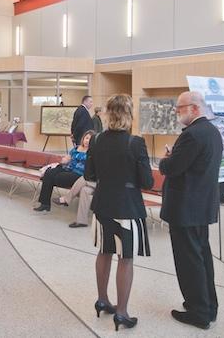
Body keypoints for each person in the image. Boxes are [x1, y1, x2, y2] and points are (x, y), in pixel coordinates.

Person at [85, 94, 152, 331]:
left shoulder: (96, 140)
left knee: (104, 252)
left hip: (102, 205)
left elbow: (90, 175)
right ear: (128, 114)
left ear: (108, 114)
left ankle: (102, 300)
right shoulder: (136, 143)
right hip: (127, 207)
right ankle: (121, 312)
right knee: (125, 258)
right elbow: (147, 181)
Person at [158, 91, 223, 330]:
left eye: (179, 108)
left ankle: (198, 312)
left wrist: (165, 159)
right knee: (202, 257)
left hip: (186, 208)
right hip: (201, 205)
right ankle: (208, 306)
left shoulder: (192, 135)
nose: (177, 113)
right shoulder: (212, 132)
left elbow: (173, 167)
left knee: (189, 261)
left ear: (194, 108)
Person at [34, 130, 93, 212]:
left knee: (57, 177)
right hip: (68, 168)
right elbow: (67, 158)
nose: (87, 141)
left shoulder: (93, 152)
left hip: (78, 174)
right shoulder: (76, 148)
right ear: (83, 138)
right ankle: (45, 204)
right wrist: (63, 160)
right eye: (86, 138)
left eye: (90, 139)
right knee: (49, 172)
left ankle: (54, 186)